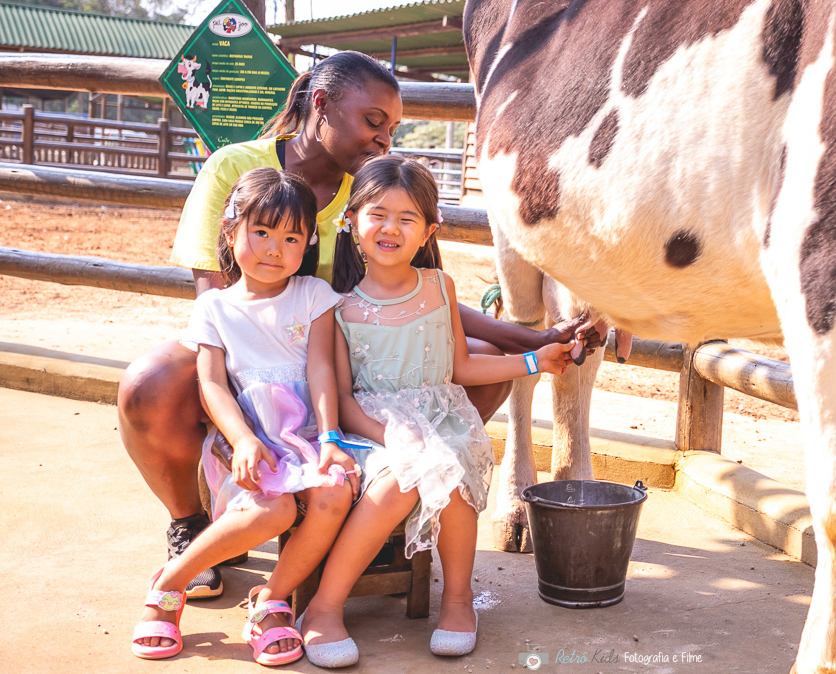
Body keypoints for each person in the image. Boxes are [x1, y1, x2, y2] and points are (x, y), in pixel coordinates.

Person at [117, 51, 579, 601]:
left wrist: (535, 339)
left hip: (337, 360)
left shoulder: (371, 198)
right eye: (373, 121)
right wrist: (247, 410)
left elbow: (428, 302)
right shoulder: (234, 168)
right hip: (249, 355)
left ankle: (386, 506)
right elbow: (215, 299)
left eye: (392, 130)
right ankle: (191, 524)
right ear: (321, 104)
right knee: (149, 384)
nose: (384, 141)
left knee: (477, 371)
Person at [288, 157, 572, 667]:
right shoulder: (339, 307)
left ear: (428, 231)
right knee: (403, 476)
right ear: (350, 221)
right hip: (374, 429)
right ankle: (324, 608)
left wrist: (535, 359)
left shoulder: (440, 288)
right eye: (377, 214)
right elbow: (344, 397)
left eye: (407, 218)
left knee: (454, 467)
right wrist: (389, 432)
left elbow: (460, 367)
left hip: (444, 419)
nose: (390, 228)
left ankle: (459, 603)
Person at [132, 169, 358, 665]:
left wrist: (331, 437)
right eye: (262, 232)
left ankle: (271, 600)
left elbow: (322, 370)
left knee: (335, 489)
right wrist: (243, 440)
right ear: (231, 231)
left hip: (309, 432)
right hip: (248, 437)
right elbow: (211, 383)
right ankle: (170, 584)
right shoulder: (213, 307)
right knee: (273, 509)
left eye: (291, 236)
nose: (275, 248)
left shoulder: (314, 297)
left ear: (308, 245)